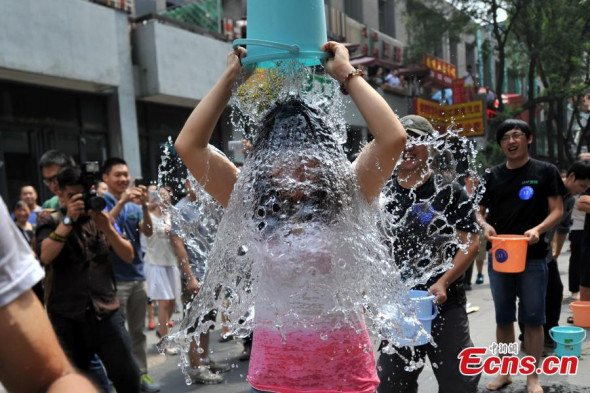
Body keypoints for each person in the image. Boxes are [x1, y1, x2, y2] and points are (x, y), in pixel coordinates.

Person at [174, 41, 406, 393]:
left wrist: (346, 74)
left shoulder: (349, 194)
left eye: (307, 150)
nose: (296, 161)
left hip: (346, 377)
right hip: (272, 379)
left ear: (325, 154)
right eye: (281, 151)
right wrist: (229, 81)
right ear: (264, 158)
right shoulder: (248, 200)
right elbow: (189, 146)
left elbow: (393, 138)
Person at [377, 115, 480, 393]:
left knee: (459, 383)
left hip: (445, 304)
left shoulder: (449, 191)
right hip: (398, 308)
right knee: (391, 385)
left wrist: (444, 281)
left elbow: (470, 243)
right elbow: (374, 247)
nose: (408, 146)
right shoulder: (381, 193)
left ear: (431, 146)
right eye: (403, 140)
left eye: (416, 139)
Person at [478, 119, 565, 393]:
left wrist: (539, 229)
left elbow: (557, 210)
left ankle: (532, 377)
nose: (510, 141)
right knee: (503, 318)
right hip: (501, 255)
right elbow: (477, 210)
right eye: (505, 137)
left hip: (534, 255)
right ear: (500, 143)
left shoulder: (545, 171)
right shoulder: (492, 175)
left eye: (516, 136)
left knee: (533, 318)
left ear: (528, 139)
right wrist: (484, 225)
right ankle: (504, 373)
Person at [36, 167, 141, 393]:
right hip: (67, 317)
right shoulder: (50, 219)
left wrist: (107, 227)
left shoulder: (100, 218)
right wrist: (68, 220)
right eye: (75, 195)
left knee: (129, 376)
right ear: (62, 195)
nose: (82, 200)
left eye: (85, 194)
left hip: (106, 311)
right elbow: (45, 255)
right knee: (79, 383)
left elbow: (128, 255)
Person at [0, 196, 99, 393]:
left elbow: (52, 379)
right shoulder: (48, 220)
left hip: (95, 304)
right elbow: (45, 254)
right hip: (60, 306)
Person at [101, 157, 160, 393]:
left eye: (126, 174)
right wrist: (122, 201)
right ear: (105, 178)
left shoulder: (136, 206)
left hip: (137, 276)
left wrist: (144, 206)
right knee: (115, 336)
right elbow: (104, 226)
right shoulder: (101, 203)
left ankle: (141, 375)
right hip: (112, 280)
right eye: (118, 174)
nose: (124, 178)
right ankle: (117, 381)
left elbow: (148, 231)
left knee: (137, 332)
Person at [169, 179, 229, 384]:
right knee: (194, 322)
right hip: (195, 274)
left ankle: (204, 358)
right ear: (186, 183)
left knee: (207, 320)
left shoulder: (208, 204)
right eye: (194, 180)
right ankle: (195, 368)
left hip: (211, 274)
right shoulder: (181, 208)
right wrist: (189, 276)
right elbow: (177, 244)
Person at [144, 185, 180, 353]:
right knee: (163, 303)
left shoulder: (171, 215)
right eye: (161, 195)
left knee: (172, 302)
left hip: (171, 262)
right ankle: (165, 341)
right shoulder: (147, 216)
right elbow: (147, 231)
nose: (164, 198)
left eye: (167, 195)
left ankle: (161, 330)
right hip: (154, 262)